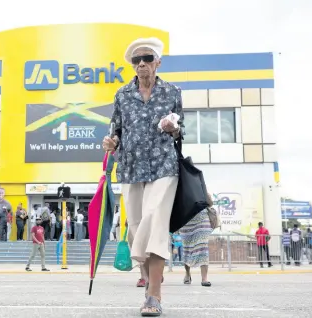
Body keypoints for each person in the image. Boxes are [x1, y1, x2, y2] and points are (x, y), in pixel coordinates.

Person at [103, 37, 184, 316]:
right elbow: (116, 129)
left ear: (157, 62)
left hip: (163, 166)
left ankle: (154, 296)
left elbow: (180, 130)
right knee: (137, 227)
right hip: (130, 166)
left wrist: (173, 127)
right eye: (136, 60)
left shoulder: (172, 92)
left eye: (147, 58)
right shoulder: (122, 94)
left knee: (155, 220)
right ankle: (151, 277)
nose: (141, 64)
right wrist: (111, 141)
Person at [180, 193, 213, 286]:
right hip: (186, 219)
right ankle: (187, 274)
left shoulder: (200, 184)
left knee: (203, 247)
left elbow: (210, 203)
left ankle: (204, 278)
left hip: (202, 218)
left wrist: (206, 194)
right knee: (187, 248)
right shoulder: (180, 185)